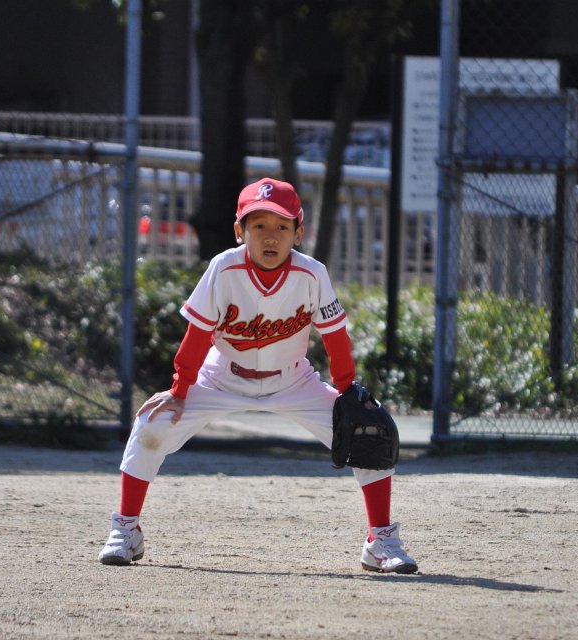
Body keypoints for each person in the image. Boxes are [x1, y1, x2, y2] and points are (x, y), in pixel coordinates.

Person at [98, 177, 418, 574]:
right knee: (152, 423)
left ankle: (381, 540)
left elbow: (335, 338)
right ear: (240, 230)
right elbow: (197, 335)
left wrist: (347, 390)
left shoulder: (312, 273)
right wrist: (179, 390)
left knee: (367, 433)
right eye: (259, 225)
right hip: (222, 376)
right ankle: (127, 530)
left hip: (292, 380)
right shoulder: (224, 268)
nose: (271, 236)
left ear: (298, 233)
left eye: (282, 226)